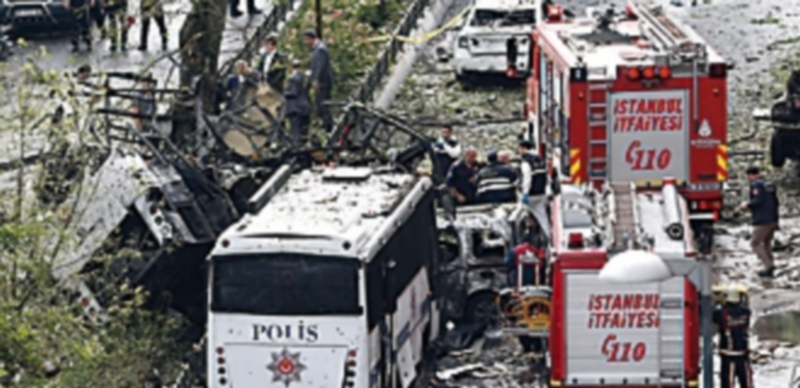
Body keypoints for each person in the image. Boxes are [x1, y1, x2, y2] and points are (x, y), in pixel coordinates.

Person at [740, 166, 779, 278]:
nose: (748, 179)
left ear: (751, 175)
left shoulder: (756, 185)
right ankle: (770, 265)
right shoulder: (769, 183)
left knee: (755, 243)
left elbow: (759, 200)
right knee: (767, 243)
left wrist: (747, 204)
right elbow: (775, 201)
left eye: (748, 176)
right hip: (773, 218)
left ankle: (768, 266)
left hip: (762, 220)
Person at [713, 287, 753, 388]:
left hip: (728, 355)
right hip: (743, 354)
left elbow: (711, 315)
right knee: (747, 382)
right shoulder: (746, 312)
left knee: (728, 382)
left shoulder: (721, 313)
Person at [304, 29, 335, 133]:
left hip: (323, 82)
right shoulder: (317, 49)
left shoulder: (320, 49)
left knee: (323, 104)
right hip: (320, 82)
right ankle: (326, 125)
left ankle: (329, 127)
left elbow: (321, 66)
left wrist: (316, 79)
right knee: (319, 104)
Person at [519, 141, 550, 237]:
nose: (519, 151)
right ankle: (548, 235)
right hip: (542, 193)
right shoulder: (540, 159)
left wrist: (525, 193)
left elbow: (527, 178)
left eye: (519, 149)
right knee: (542, 216)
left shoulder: (526, 161)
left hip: (532, 194)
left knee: (518, 213)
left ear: (524, 148)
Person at [284, 59, 311, 147]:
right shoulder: (305, 78)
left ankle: (296, 149)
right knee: (304, 132)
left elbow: (293, 92)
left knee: (295, 132)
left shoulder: (293, 78)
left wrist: (284, 93)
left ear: (292, 67)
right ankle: (304, 147)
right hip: (305, 107)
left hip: (295, 108)